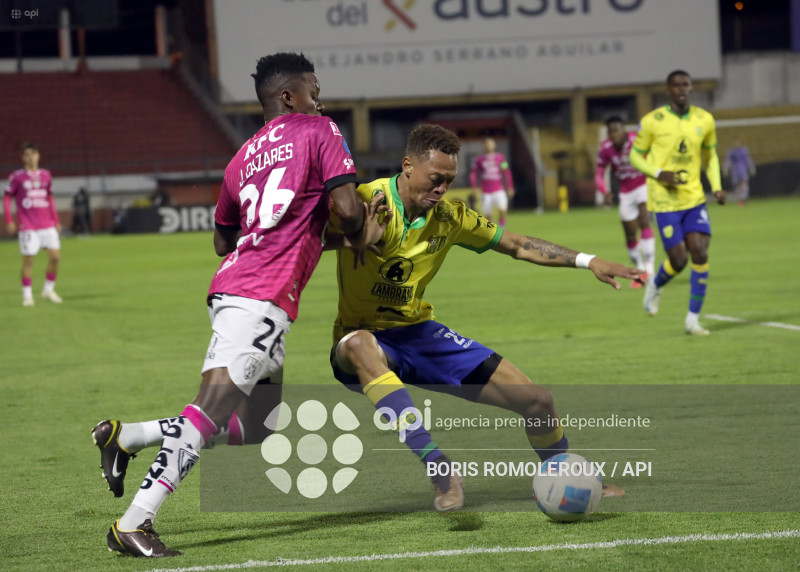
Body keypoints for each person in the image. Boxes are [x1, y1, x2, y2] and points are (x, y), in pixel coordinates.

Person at [91, 52, 377, 558]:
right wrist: (358, 233)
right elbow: (349, 209)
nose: (320, 97)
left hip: (236, 286)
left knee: (255, 424)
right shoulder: (320, 130)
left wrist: (326, 237)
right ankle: (133, 523)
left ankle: (128, 436)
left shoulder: (241, 156)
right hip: (260, 296)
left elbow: (225, 242)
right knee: (212, 407)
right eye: (314, 88)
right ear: (290, 96)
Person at [329, 124, 642, 511]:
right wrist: (353, 237)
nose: (442, 189)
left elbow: (516, 245)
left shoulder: (449, 216)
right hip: (360, 336)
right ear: (407, 165)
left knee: (537, 400)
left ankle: (564, 473)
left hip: (417, 333)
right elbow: (304, 235)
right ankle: (440, 470)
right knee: (360, 344)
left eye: (449, 181)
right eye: (435, 179)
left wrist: (588, 260)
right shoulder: (365, 200)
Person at [630, 70, 726, 336]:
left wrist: (716, 187)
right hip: (664, 201)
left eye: (686, 84)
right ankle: (656, 284)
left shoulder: (704, 119)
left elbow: (711, 156)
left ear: (691, 88)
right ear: (668, 90)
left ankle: (692, 320)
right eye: (676, 85)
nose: (682, 88)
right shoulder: (652, 121)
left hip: (694, 199)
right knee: (679, 259)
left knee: (700, 252)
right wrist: (659, 174)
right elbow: (635, 156)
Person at [595, 116, 656, 284]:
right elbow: (599, 174)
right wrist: (604, 191)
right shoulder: (605, 148)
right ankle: (639, 271)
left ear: (623, 130)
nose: (613, 134)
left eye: (616, 130)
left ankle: (649, 270)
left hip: (644, 185)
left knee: (645, 221)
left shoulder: (637, 140)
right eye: (610, 131)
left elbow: (654, 157)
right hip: (625, 192)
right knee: (630, 234)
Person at [4, 142, 63, 306]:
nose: (31, 157)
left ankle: (48, 290)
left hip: (47, 225)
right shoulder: (17, 177)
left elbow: (49, 197)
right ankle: (27, 296)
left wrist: (56, 220)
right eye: (27, 155)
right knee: (29, 260)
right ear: (23, 158)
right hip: (28, 226)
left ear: (38, 156)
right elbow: (7, 197)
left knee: (55, 257)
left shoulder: (46, 175)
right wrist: (9, 219)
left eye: (33, 154)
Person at [469, 137, 514, 227]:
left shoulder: (500, 158)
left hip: (499, 189)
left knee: (502, 209)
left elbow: (506, 172)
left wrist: (510, 187)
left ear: (494, 145)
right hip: (486, 191)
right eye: (487, 144)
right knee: (488, 213)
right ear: (484, 146)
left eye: (490, 143)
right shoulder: (479, 159)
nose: (489, 146)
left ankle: (502, 226)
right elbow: (473, 173)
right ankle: (492, 230)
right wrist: (474, 186)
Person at [723, 137, 756, 208]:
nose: (736, 144)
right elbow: (728, 162)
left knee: (744, 185)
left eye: (737, 142)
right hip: (735, 172)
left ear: (740, 143)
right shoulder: (731, 152)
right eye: (735, 143)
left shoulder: (744, 151)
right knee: (737, 186)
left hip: (743, 170)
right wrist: (725, 170)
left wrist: (752, 168)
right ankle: (740, 200)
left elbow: (748, 160)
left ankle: (744, 199)